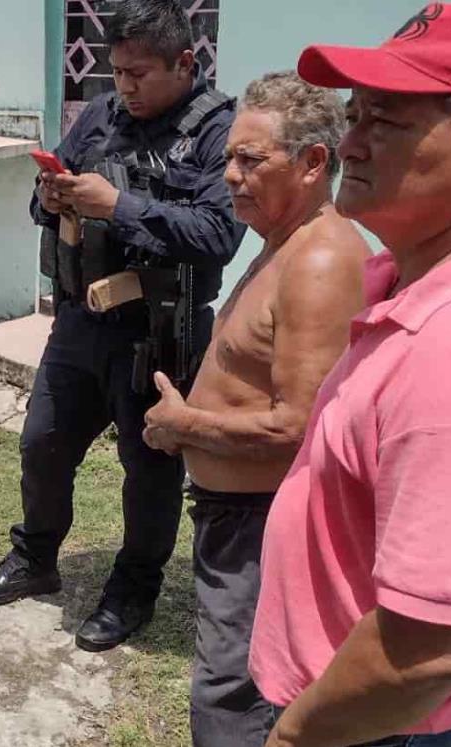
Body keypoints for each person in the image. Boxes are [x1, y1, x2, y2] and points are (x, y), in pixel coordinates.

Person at [249, 4, 451, 745]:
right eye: (353, 115)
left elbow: (421, 656)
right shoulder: (405, 288)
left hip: (390, 728)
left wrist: (294, 734)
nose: (347, 142)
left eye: (382, 122)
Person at [0, 0, 245, 652]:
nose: (124, 87)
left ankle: (134, 587)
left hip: (159, 332)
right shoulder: (102, 115)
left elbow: (218, 234)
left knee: (148, 472)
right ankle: (35, 557)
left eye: (139, 73)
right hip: (80, 324)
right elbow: (46, 190)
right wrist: (53, 196)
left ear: (185, 62)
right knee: (43, 444)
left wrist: (119, 206)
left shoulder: (218, 132)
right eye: (115, 72)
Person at [142, 71, 370, 747]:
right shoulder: (281, 241)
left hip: (259, 524)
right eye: (228, 159)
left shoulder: (321, 261)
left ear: (312, 163)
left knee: (234, 694)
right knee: (229, 682)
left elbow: (299, 427)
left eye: (250, 159)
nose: (231, 176)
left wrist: (187, 426)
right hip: (233, 517)